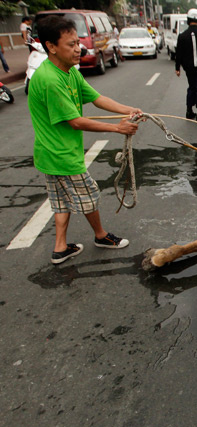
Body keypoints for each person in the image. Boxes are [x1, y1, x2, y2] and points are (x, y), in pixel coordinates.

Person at [27, 15, 142, 265]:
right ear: (51, 46)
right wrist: (118, 129)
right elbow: (75, 121)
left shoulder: (69, 72)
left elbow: (97, 98)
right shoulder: (50, 80)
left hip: (51, 154)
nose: (78, 49)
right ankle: (101, 236)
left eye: (78, 42)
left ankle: (60, 248)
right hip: (61, 154)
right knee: (88, 196)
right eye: (71, 44)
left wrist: (128, 110)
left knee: (61, 202)